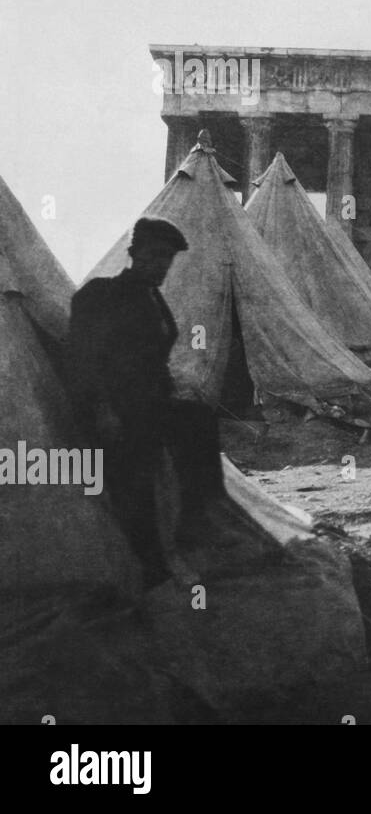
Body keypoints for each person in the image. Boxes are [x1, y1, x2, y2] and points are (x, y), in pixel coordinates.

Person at [67, 217, 226, 585]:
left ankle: (197, 519)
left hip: (147, 404)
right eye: (153, 257)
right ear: (133, 254)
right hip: (113, 409)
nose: (161, 267)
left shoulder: (152, 297)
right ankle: (151, 564)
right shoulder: (101, 295)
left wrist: (171, 386)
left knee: (199, 419)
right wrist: (103, 410)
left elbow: (153, 357)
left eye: (166, 261)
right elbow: (84, 360)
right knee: (133, 475)